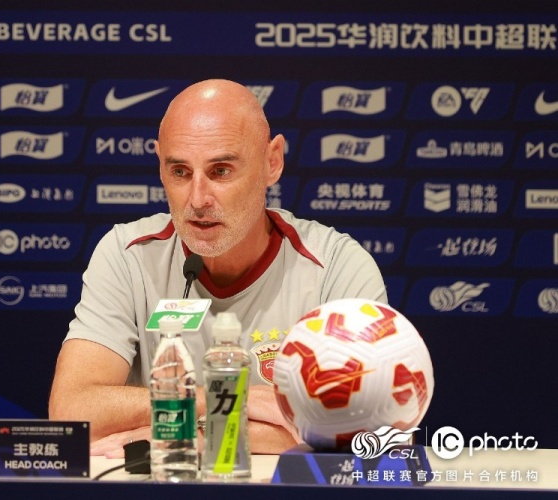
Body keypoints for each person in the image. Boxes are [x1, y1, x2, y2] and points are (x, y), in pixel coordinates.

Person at [48, 79, 387, 456]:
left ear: (272, 162)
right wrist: (234, 398)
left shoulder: (336, 267)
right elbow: (73, 410)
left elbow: (369, 427)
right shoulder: (127, 255)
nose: (197, 200)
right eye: (180, 172)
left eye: (221, 171)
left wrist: (192, 436)